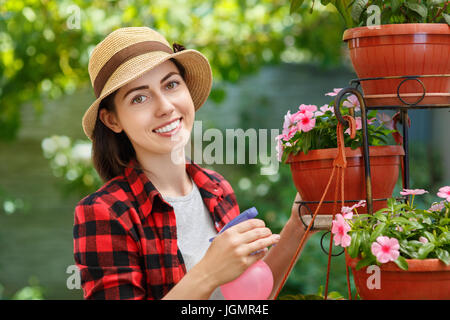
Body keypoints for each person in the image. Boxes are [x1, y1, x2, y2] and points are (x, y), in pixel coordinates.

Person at [73, 26, 315, 300]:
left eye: (171, 84)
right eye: (139, 97)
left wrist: (299, 223)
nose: (164, 106)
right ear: (112, 120)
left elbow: (248, 298)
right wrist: (209, 272)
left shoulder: (216, 188)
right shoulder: (105, 212)